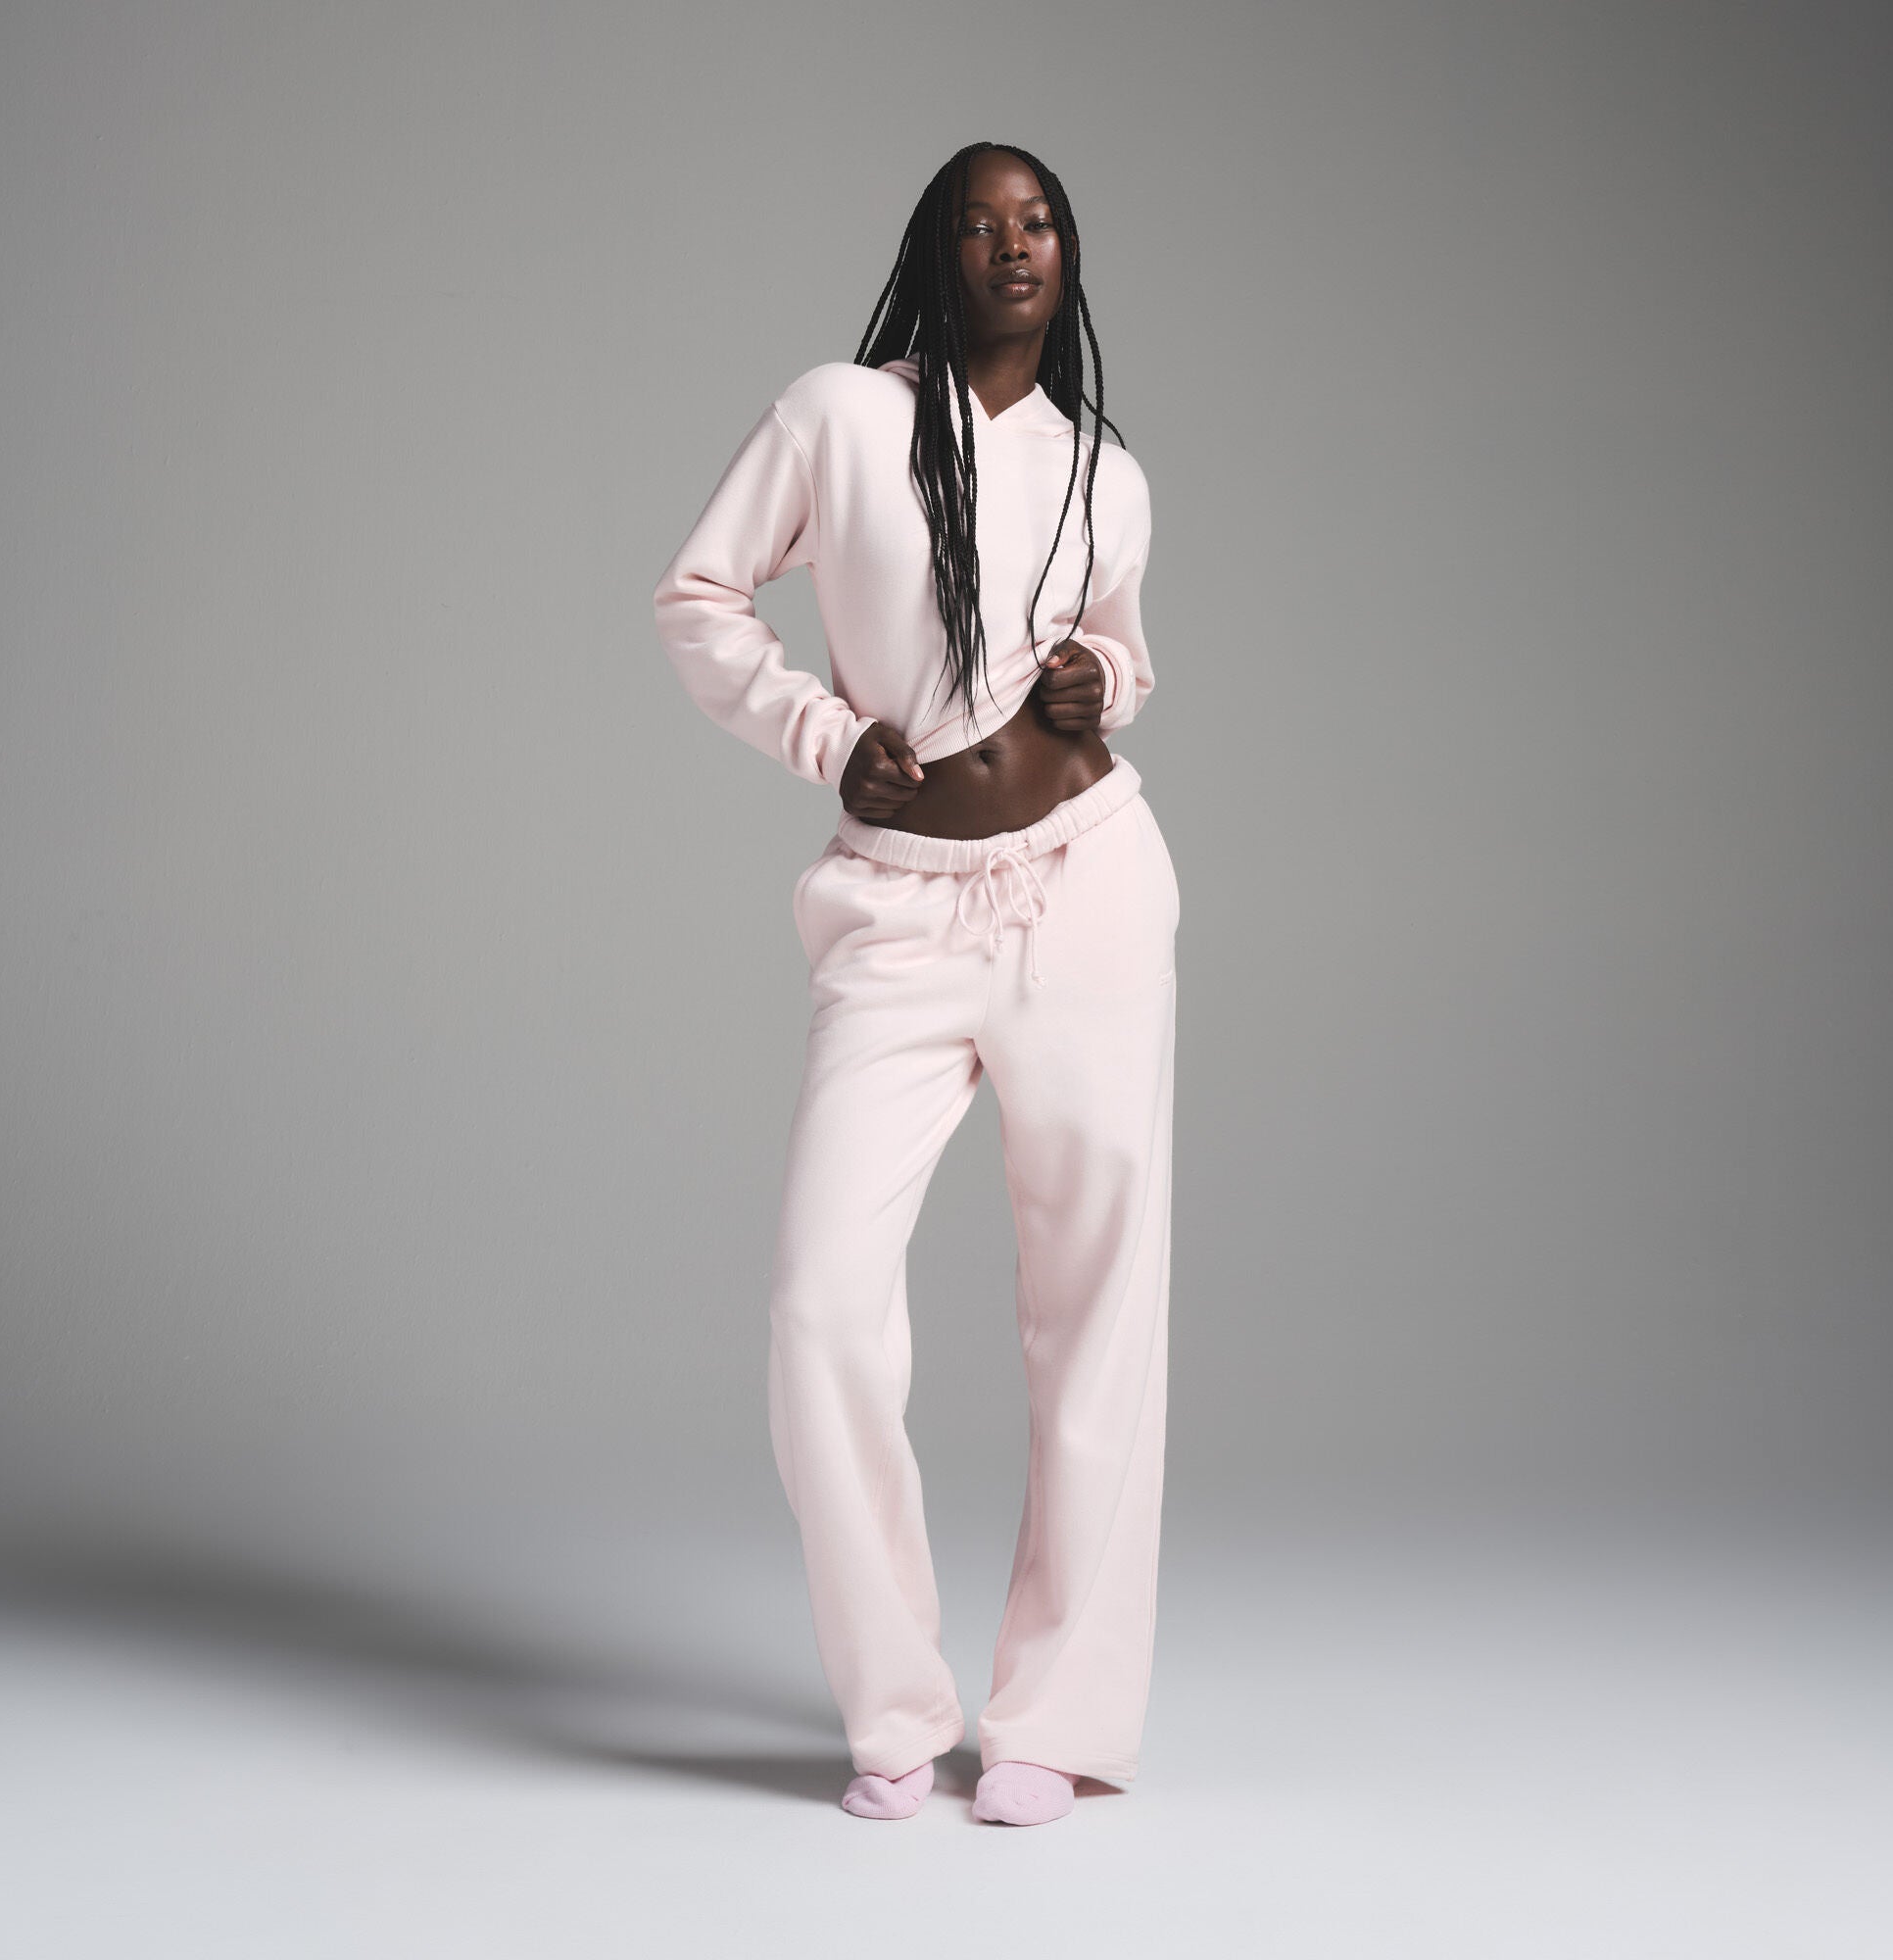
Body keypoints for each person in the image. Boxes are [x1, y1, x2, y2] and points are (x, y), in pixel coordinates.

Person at [652, 141, 1177, 1827]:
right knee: (820, 1300)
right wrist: (821, 734)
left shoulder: (1102, 467)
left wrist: (1102, 678)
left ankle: (1055, 1721)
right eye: (978, 222)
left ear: (1066, 255)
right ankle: (892, 1707)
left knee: (1095, 1305)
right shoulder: (840, 414)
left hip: (1088, 888)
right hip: (896, 911)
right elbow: (699, 594)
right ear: (931, 251)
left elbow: (1121, 648)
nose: (1012, 246)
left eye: (1039, 222)